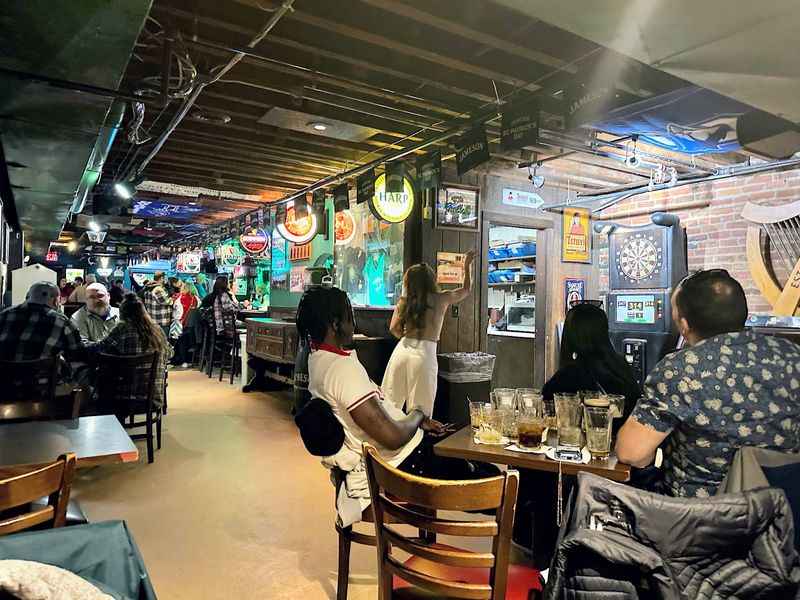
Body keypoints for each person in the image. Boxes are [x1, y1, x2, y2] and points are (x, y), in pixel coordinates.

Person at [616, 269, 800, 498]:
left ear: (683, 325)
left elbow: (632, 453)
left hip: (703, 519)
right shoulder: (792, 357)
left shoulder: (681, 368)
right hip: (783, 516)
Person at [298, 285, 488, 481]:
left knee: (468, 447)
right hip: (408, 460)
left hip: (405, 451)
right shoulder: (342, 370)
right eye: (350, 316)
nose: (353, 324)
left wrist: (416, 422)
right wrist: (418, 414)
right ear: (336, 324)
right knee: (496, 476)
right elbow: (393, 437)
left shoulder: (317, 360)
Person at [522, 303, 641, 566]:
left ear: (572, 336)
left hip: (578, 467)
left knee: (534, 472)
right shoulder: (622, 369)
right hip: (619, 469)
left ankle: (544, 554)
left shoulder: (571, 375)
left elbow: (545, 408)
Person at [382, 251, 475, 417]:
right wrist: (467, 265)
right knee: (420, 413)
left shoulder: (405, 301)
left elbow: (393, 328)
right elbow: (466, 290)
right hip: (425, 354)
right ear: (432, 280)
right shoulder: (442, 299)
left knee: (389, 405)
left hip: (401, 350)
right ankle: (417, 442)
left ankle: (385, 441)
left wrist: (406, 336)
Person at [543, 302, 640, 421]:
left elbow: (545, 404)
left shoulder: (571, 375)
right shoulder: (620, 365)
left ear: (570, 335)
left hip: (593, 437)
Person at [95, 293, 171, 409]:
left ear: (122, 313)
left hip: (120, 397)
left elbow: (100, 350)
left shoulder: (121, 329)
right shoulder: (157, 330)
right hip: (152, 398)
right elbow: (169, 353)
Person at [0, 281, 84, 362]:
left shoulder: (3, 315)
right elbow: (77, 352)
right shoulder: (62, 322)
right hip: (42, 376)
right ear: (55, 301)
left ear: (27, 297)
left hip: (4, 375)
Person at [171, 281, 200, 367]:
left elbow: (176, 311)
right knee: (189, 342)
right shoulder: (196, 299)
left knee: (180, 341)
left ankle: (182, 360)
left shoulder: (179, 298)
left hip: (181, 325)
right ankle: (190, 359)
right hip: (192, 327)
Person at [141, 271, 173, 339]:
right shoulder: (157, 289)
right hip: (161, 320)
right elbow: (166, 302)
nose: (165, 280)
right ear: (161, 278)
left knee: (155, 342)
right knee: (163, 342)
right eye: (164, 278)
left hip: (152, 319)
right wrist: (173, 298)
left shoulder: (148, 288)